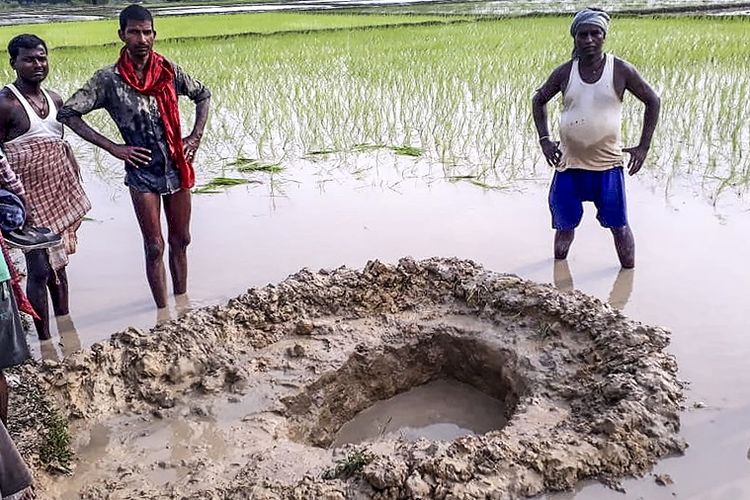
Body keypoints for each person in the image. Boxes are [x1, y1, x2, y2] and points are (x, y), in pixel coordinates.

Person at [58, 5, 211, 309]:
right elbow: (68, 113)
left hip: (176, 165)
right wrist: (114, 147)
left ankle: (182, 302)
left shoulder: (168, 70)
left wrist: (194, 137)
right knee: (154, 246)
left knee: (182, 239)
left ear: (154, 35)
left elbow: (202, 95)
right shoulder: (108, 79)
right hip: (141, 172)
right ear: (122, 35)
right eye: (134, 32)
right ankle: (162, 313)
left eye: (146, 32)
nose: (141, 38)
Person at [531, 8, 661, 269]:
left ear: (604, 37)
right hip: (569, 165)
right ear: (575, 38)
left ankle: (628, 278)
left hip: (607, 166)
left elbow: (653, 100)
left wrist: (643, 147)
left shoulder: (620, 70)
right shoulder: (565, 72)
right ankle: (558, 274)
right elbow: (539, 99)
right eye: (583, 34)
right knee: (564, 226)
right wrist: (545, 140)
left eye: (595, 33)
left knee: (619, 226)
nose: (589, 39)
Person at [0, 34, 91, 341]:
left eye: (42, 58)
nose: (37, 64)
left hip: (55, 194)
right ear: (13, 63)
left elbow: (56, 147)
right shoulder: (6, 104)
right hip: (26, 199)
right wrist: (16, 203)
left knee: (59, 265)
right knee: (38, 270)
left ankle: (67, 330)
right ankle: (44, 340)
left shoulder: (55, 100)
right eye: (29, 59)